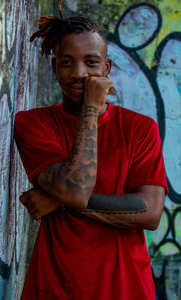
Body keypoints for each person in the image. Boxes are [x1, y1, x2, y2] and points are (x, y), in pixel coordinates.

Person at [14, 12, 168, 300]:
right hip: (55, 287)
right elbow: (75, 190)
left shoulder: (140, 129)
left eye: (91, 62)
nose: (79, 73)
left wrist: (57, 201)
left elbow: (150, 212)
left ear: (107, 67)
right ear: (54, 66)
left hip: (126, 289)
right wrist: (90, 110)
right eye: (67, 62)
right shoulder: (32, 124)